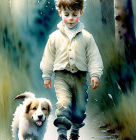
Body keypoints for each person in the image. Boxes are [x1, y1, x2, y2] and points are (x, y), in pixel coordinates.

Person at [40, 0, 103, 139]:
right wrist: (46, 75)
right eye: (66, 14)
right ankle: (62, 132)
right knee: (63, 103)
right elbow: (48, 58)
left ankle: (75, 130)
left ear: (80, 12)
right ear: (60, 12)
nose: (70, 18)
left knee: (80, 106)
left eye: (74, 14)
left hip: (80, 77)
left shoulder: (87, 37)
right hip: (61, 76)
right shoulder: (54, 37)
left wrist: (95, 74)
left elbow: (94, 57)